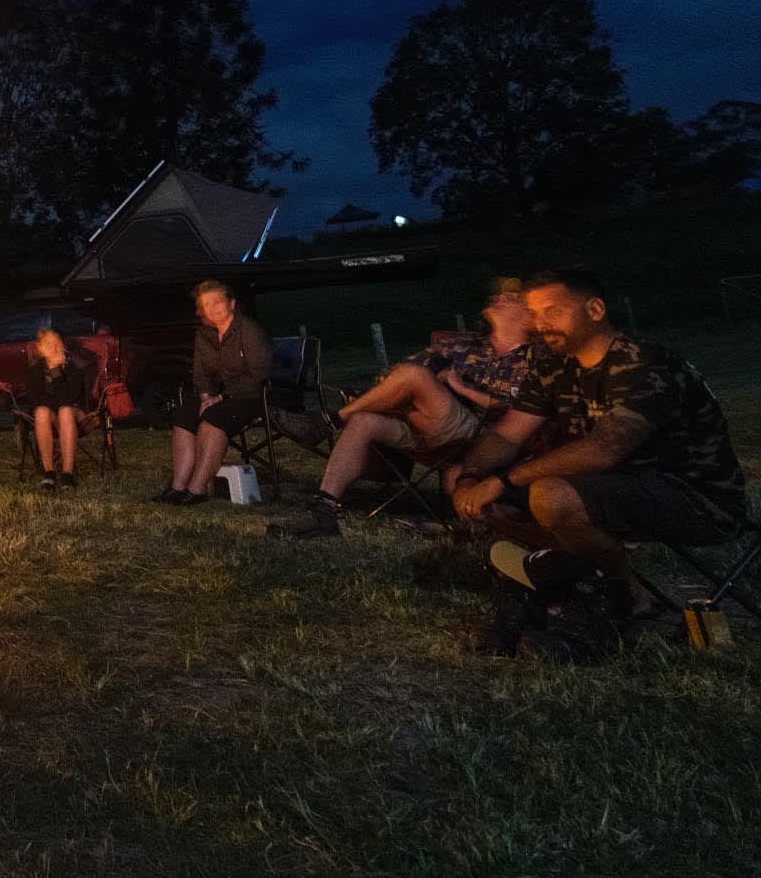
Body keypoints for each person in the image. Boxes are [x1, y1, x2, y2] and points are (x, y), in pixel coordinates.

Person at [451, 269, 747, 661]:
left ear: (595, 309)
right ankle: (566, 590)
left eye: (553, 312)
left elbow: (605, 449)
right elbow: (508, 434)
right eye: (535, 315)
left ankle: (620, 599)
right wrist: (470, 476)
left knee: (549, 495)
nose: (540, 326)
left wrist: (503, 479)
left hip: (695, 497)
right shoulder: (554, 366)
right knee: (495, 500)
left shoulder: (645, 364)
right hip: (618, 487)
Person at [270, 277, 536, 540]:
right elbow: (400, 371)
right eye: (498, 295)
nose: (498, 299)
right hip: (428, 424)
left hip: (479, 435)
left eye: (510, 298)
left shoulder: (533, 358)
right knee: (365, 418)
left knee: (415, 377)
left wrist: (459, 387)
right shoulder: (464, 345)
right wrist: (393, 385)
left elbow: (520, 408)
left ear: (527, 315)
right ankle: (323, 509)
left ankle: (326, 422)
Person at [156, 279, 271, 506]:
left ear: (232, 303)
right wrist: (206, 396)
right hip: (216, 397)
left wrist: (221, 398)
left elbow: (260, 374)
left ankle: (197, 489)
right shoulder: (204, 335)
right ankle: (178, 486)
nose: (213, 308)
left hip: (249, 397)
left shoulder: (249, 331)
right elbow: (200, 373)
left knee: (213, 417)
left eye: (218, 301)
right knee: (184, 416)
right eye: (207, 304)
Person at [26, 327, 88, 492]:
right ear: (40, 348)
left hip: (77, 415)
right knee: (41, 411)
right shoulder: (35, 366)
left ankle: (67, 473)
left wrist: (55, 370)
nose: (53, 347)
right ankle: (49, 472)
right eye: (48, 344)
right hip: (51, 414)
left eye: (57, 343)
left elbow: (69, 399)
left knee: (65, 411)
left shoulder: (75, 364)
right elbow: (34, 399)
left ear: (63, 344)